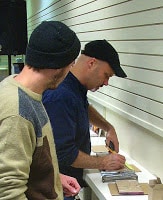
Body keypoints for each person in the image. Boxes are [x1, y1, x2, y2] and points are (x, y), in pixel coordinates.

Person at [0, 21, 81, 200]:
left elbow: (28, 161)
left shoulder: (25, 93)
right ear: (60, 65)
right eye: (71, 64)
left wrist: (53, 180)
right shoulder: (18, 111)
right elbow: (8, 192)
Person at [42, 40, 127, 200]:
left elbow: (84, 106)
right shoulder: (61, 95)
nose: (106, 82)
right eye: (106, 75)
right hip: (58, 190)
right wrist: (103, 162)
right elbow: (64, 154)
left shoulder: (74, 87)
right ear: (92, 63)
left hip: (68, 185)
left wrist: (109, 127)